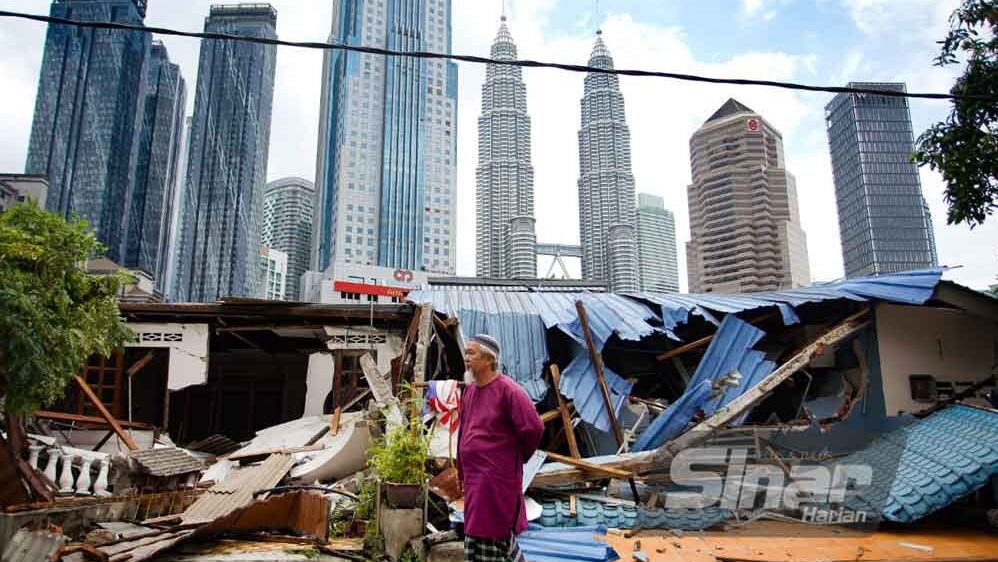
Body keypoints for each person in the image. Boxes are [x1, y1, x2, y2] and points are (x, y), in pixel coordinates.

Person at [457, 334, 544, 562]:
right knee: (475, 531)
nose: (466, 358)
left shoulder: (510, 391)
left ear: (488, 359)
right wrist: (461, 472)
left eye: (471, 353)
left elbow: (533, 428)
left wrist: (514, 458)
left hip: (496, 479)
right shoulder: (470, 391)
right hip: (475, 479)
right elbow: (464, 431)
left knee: (493, 532)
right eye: (466, 353)